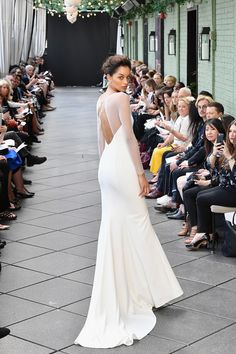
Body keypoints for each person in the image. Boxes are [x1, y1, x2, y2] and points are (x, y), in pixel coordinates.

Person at [74, 55, 183, 349]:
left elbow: (103, 141)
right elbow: (130, 141)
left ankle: (139, 288)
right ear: (109, 76)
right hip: (121, 167)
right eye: (120, 77)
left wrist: (102, 168)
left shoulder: (102, 100)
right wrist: (140, 174)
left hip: (108, 167)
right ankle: (148, 290)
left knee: (121, 226)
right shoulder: (120, 99)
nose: (125, 82)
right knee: (138, 225)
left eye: (127, 78)